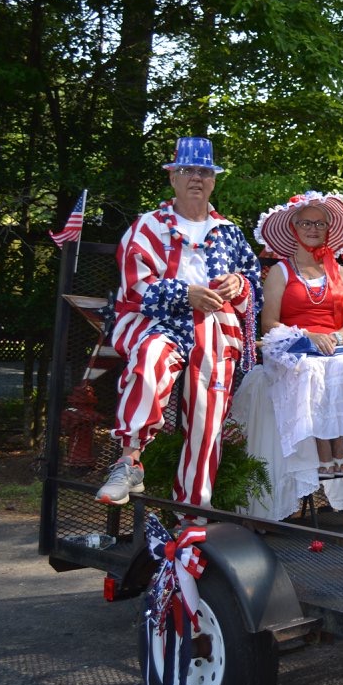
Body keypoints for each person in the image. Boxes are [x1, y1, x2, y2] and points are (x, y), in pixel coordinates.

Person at [96, 137, 261, 509]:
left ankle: (194, 509)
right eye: (187, 171)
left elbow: (254, 284)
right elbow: (135, 285)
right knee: (151, 359)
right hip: (158, 321)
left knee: (208, 417)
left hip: (215, 329)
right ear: (172, 178)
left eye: (204, 172)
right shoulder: (148, 226)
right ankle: (130, 459)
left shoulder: (230, 231)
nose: (196, 179)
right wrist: (185, 295)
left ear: (215, 180)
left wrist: (240, 284)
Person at [229, 191, 343, 520]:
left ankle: (338, 449)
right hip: (291, 348)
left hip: (334, 349)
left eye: (320, 223)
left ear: (329, 228)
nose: (313, 228)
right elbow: (269, 322)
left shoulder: (341, 273)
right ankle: (321, 453)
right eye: (306, 222)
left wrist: (333, 337)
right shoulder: (280, 272)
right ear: (294, 227)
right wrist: (306, 335)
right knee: (309, 371)